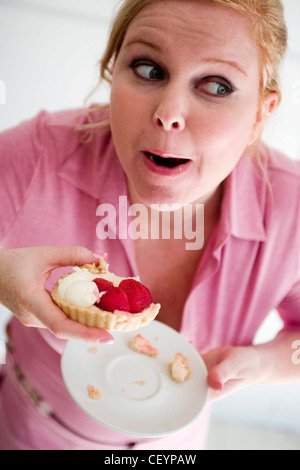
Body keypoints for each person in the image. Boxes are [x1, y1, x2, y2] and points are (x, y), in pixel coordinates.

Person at [0, 0, 299, 450]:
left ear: (260, 112)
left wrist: (264, 363)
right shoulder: (37, 155)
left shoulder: (292, 209)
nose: (169, 112)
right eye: (149, 69)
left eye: (217, 86)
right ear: (111, 70)